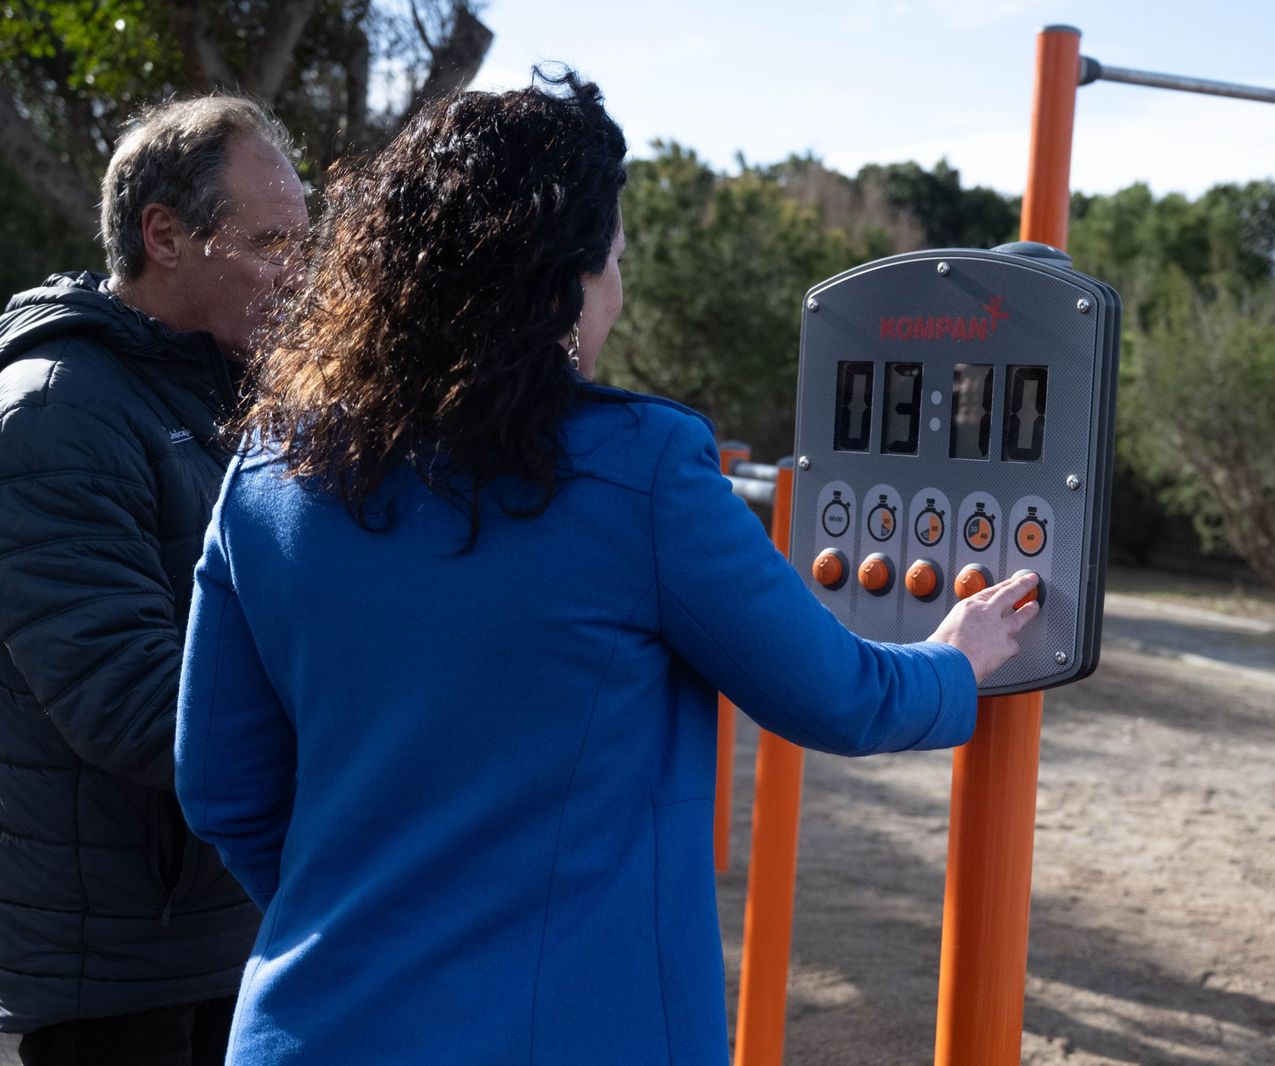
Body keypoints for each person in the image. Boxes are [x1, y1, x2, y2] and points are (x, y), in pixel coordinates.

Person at [174, 71, 1038, 1064]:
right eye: (613, 263)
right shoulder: (641, 468)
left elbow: (223, 786)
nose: (617, 294)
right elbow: (839, 695)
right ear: (562, 283)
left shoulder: (269, 467)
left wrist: (368, 915)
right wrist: (955, 660)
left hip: (312, 1027)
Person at [0, 97, 309, 1064]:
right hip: (118, 974)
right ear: (164, 235)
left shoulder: (241, 394)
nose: (297, 273)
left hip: (233, 930)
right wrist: (368, 722)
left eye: (301, 241)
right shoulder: (55, 413)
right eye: (267, 243)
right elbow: (130, 704)